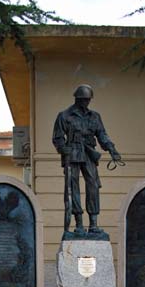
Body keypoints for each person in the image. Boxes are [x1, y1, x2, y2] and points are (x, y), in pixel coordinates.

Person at [52, 84, 121, 235]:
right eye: (82, 99)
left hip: (89, 154)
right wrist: (63, 149)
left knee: (93, 186)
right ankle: (79, 224)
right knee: (74, 188)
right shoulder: (64, 115)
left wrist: (111, 149)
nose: (85, 102)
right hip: (73, 154)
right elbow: (57, 137)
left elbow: (102, 134)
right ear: (76, 98)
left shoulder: (95, 116)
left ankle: (93, 224)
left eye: (87, 100)